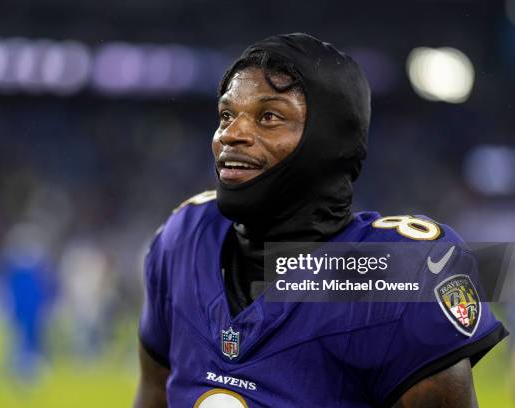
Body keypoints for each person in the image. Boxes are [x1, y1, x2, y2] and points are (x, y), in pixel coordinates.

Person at [134, 33, 508, 407]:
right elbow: (153, 395)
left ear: (329, 140)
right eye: (227, 114)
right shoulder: (185, 236)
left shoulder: (397, 271)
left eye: (269, 117)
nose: (232, 134)